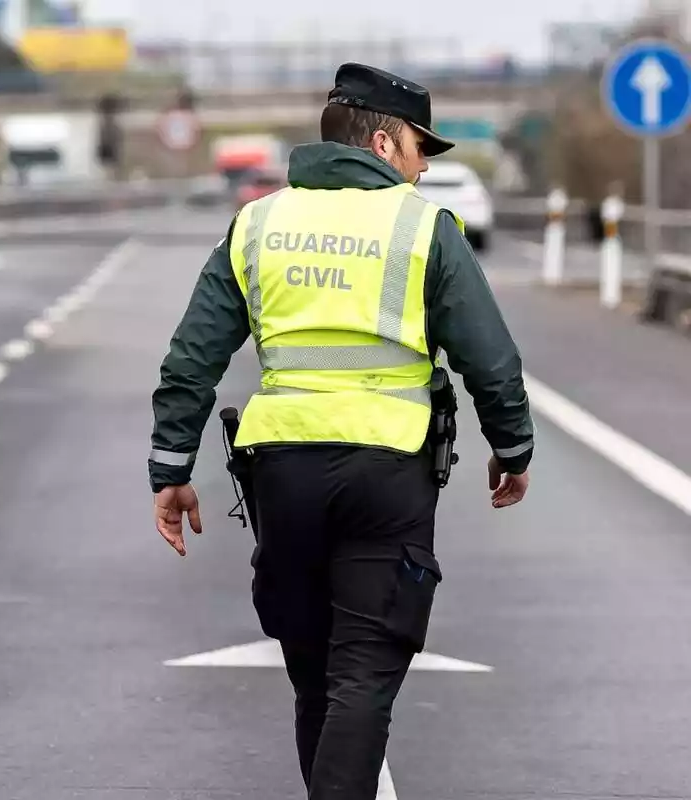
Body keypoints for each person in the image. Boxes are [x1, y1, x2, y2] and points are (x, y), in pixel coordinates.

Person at [147, 63, 534, 799]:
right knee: (363, 675)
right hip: (386, 474)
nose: (424, 170)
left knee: (315, 678)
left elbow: (192, 355)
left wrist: (170, 468)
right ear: (385, 145)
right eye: (422, 150)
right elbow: (490, 356)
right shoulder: (423, 228)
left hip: (282, 474)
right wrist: (512, 447)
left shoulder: (259, 223)